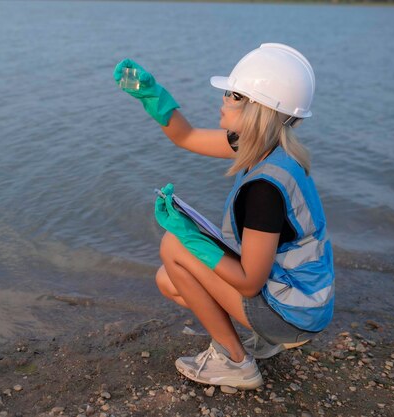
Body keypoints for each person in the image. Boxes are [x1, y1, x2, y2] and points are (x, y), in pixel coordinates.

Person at [114, 43, 334, 389]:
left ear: (257, 107)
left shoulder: (265, 189)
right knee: (168, 279)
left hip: (293, 316)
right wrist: (152, 96)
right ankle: (260, 341)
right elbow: (185, 136)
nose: (222, 100)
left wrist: (188, 237)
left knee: (174, 247)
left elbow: (249, 282)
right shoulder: (269, 148)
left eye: (232, 94)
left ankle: (235, 362)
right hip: (299, 300)